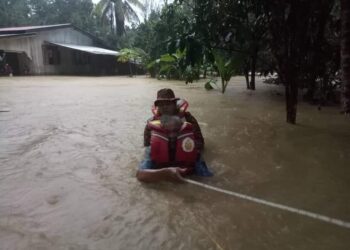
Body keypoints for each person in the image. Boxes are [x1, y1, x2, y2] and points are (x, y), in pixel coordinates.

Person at [136, 88, 212, 182]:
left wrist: (190, 150)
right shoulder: (151, 124)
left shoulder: (188, 119)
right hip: (160, 158)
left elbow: (200, 142)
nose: (164, 107)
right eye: (161, 104)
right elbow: (141, 172)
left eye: (168, 103)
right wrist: (165, 173)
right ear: (157, 106)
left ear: (174, 104)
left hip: (186, 153)